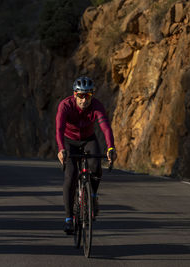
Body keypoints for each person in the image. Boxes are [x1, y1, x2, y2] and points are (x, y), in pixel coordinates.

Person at [55, 76, 117, 234]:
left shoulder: (97, 106)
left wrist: (111, 148)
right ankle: (69, 218)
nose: (84, 100)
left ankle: (93, 197)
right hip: (70, 142)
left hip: (88, 139)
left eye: (88, 95)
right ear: (74, 95)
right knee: (71, 175)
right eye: (81, 96)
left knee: (96, 166)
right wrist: (61, 149)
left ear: (92, 95)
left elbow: (106, 128)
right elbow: (59, 130)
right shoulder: (65, 106)